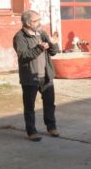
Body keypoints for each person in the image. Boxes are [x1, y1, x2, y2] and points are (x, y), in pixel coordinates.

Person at [13, 10, 60, 142]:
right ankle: (31, 131)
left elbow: (53, 52)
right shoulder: (19, 37)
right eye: (36, 21)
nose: (39, 23)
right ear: (28, 23)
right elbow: (23, 56)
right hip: (30, 78)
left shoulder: (42, 33)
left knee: (50, 103)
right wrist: (39, 48)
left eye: (39, 19)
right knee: (29, 107)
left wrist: (53, 43)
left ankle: (51, 127)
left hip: (46, 75)